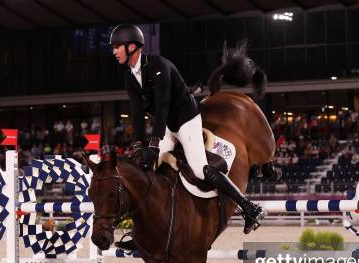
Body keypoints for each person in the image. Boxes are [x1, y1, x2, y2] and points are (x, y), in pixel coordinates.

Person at [109, 24, 266, 244]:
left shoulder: (159, 67)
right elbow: (136, 114)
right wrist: (138, 146)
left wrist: (153, 145)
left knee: (200, 169)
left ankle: (249, 207)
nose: (114, 51)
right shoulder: (129, 77)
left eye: (117, 46)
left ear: (132, 47)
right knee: (146, 173)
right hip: (167, 126)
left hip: (186, 120)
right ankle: (142, 232)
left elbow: (162, 107)